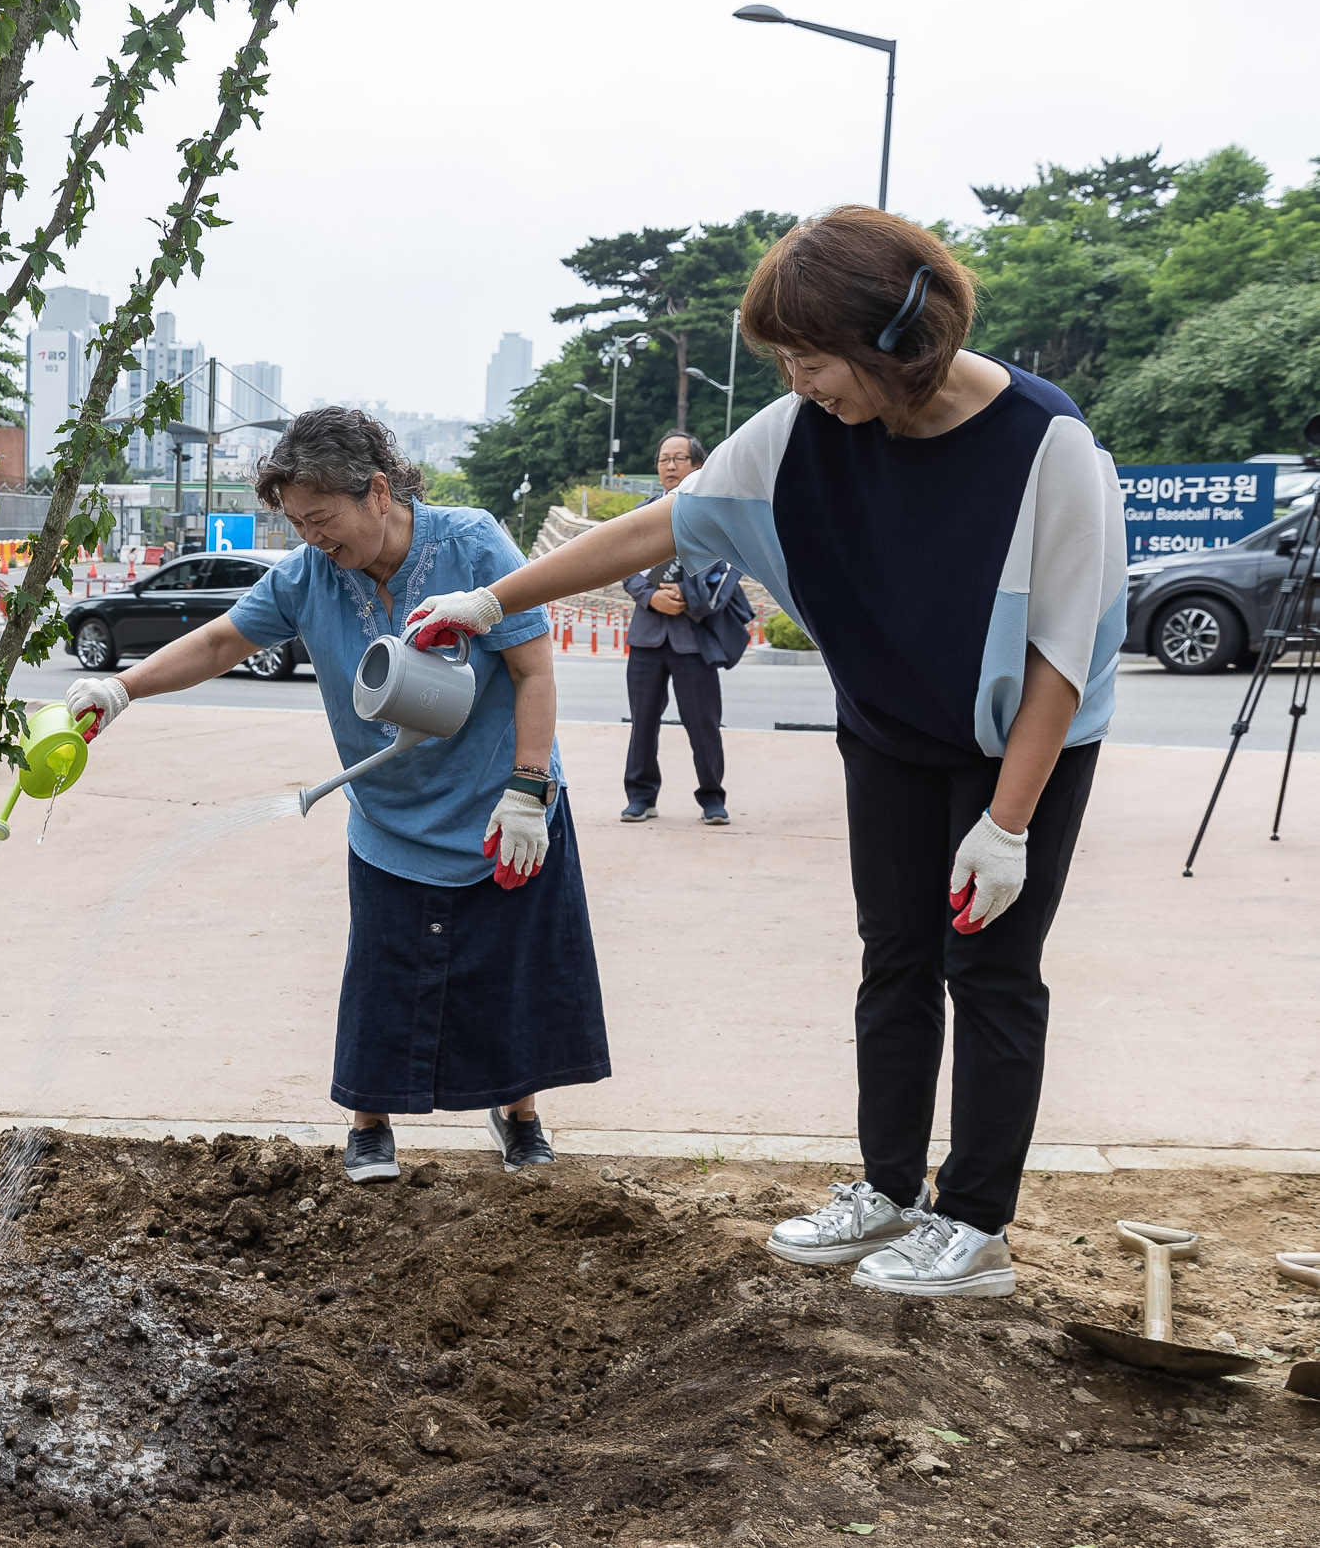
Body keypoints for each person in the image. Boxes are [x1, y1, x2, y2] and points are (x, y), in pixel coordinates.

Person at [438, 207, 1122, 1299]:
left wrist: (1006, 825)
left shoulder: (1048, 447)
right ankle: (887, 1191)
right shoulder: (804, 432)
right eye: (788, 364)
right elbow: (662, 524)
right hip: (891, 729)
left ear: (896, 346)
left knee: (988, 968)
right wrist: (488, 598)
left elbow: (1061, 657)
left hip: (1018, 743)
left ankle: (976, 1223)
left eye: (813, 361)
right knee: (894, 955)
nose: (799, 384)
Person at [66, 407, 608, 1183]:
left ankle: (518, 1114)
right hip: (390, 814)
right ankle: (369, 1123)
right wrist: (124, 689)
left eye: (322, 519)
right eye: (297, 523)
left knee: (507, 966)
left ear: (378, 491)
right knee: (385, 972)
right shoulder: (309, 574)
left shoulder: (472, 543)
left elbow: (534, 669)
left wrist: (529, 787)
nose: (312, 538)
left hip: (500, 810)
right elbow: (224, 639)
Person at [620, 432, 740, 825]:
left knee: (703, 723)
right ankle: (640, 795)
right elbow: (624, 564)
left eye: (679, 458)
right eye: (664, 459)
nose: (670, 466)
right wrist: (648, 596)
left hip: (694, 638)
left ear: (698, 465)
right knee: (642, 723)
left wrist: (691, 598)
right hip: (647, 636)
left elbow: (728, 569)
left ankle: (712, 798)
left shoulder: (716, 518)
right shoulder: (644, 512)